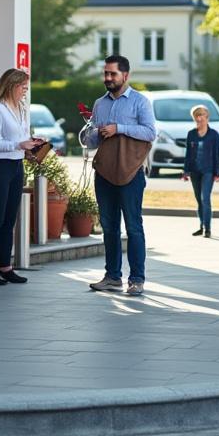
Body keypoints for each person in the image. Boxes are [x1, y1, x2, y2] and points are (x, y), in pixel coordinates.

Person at [87, 55, 157, 296]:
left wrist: (119, 128)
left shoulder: (140, 102)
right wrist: (92, 133)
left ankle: (136, 279)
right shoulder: (100, 104)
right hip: (104, 172)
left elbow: (150, 132)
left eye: (112, 74)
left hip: (131, 172)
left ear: (125, 75)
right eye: (105, 73)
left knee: (133, 227)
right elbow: (92, 142)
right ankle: (112, 277)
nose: (108, 78)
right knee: (109, 227)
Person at [0, 69, 43, 286]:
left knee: (9, 219)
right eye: (23, 87)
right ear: (12, 86)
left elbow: (21, 139)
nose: (25, 91)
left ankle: (6, 267)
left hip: (16, 165)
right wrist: (18, 144)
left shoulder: (21, 108)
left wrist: (31, 148)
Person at [181, 104, 219, 238]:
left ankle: (207, 228)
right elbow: (188, 154)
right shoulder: (191, 134)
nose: (199, 118)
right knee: (199, 199)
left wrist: (218, 173)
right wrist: (186, 171)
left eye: (201, 115)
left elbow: (216, 155)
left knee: (205, 198)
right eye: (196, 116)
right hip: (194, 171)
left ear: (207, 117)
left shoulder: (214, 135)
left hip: (208, 171)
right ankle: (201, 226)